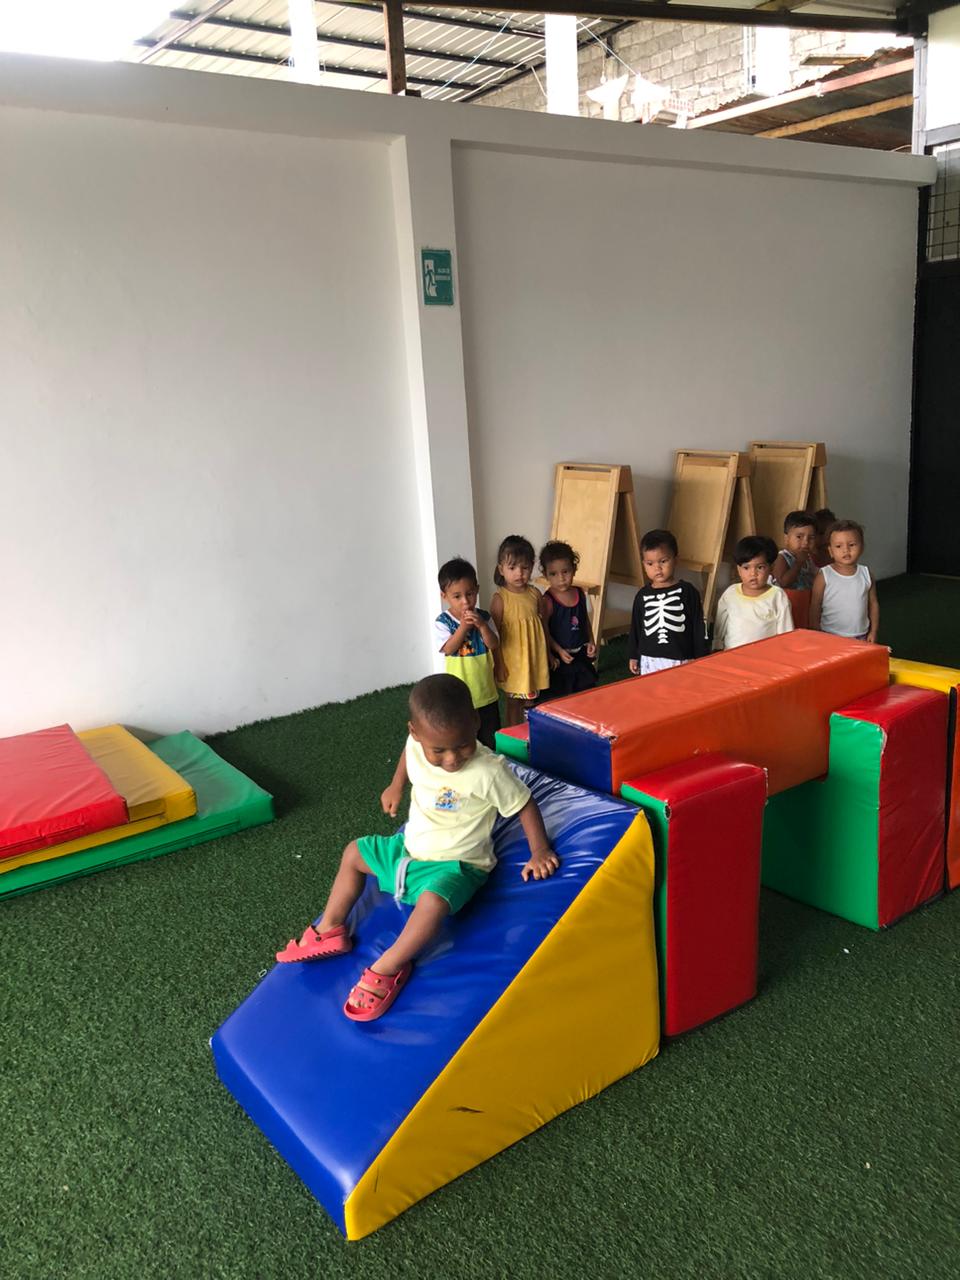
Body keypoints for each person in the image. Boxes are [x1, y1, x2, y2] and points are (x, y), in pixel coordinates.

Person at [276, 674, 559, 1021]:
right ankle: (330, 929)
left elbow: (523, 804)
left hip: (456, 866)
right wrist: (396, 785)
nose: (452, 759)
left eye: (462, 746)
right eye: (439, 751)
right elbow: (408, 755)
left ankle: (388, 965)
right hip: (408, 849)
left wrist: (539, 851)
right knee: (354, 853)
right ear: (416, 732)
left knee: (433, 903)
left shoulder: (488, 771)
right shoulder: (416, 746)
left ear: (475, 722)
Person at [435, 557, 501, 748]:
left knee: (490, 738)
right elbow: (448, 649)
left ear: (477, 590)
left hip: (486, 690)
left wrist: (482, 626)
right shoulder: (443, 621)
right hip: (459, 694)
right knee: (463, 738)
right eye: (457, 596)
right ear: (444, 596)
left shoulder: (484, 617)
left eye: (470, 594)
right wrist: (463, 627)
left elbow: (494, 644)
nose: (465, 602)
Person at [628, 529, 708, 675]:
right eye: (650, 563)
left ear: (676, 560)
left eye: (663, 561)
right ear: (643, 564)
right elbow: (636, 626)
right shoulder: (642, 595)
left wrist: (700, 656)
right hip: (649, 658)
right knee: (652, 689)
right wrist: (634, 655)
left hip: (682, 657)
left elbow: (698, 626)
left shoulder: (688, 591)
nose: (657, 568)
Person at [490, 534, 551, 726]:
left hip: (533, 660)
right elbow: (494, 636)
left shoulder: (535, 594)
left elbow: (543, 625)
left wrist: (549, 654)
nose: (519, 573)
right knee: (513, 702)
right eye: (512, 568)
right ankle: (512, 734)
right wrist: (499, 664)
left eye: (525, 568)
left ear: (532, 567)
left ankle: (529, 733)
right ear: (501, 569)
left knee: (531, 702)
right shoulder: (500, 599)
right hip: (513, 664)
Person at [713, 536, 794, 651]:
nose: (753, 574)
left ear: (771, 568)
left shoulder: (778, 596)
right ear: (739, 570)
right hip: (732, 657)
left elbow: (786, 634)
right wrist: (716, 647)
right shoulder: (730, 594)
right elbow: (720, 628)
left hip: (764, 658)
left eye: (760, 567)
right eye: (746, 568)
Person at [539, 539, 597, 699]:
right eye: (553, 574)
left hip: (580, 655)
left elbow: (585, 620)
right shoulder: (547, 600)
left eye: (565, 571)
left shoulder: (580, 593)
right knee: (562, 696)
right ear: (545, 575)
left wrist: (591, 641)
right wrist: (557, 651)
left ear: (574, 569)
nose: (561, 578)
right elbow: (544, 631)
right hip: (560, 658)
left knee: (586, 693)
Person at [809, 519, 878, 643]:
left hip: (861, 636)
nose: (846, 550)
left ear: (862, 547)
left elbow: (873, 604)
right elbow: (815, 605)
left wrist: (873, 631)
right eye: (838, 546)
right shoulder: (824, 575)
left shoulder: (866, 574)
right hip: (830, 636)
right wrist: (815, 632)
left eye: (851, 545)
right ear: (830, 551)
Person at [769, 511, 817, 591]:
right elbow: (783, 583)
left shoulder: (809, 560)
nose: (806, 542)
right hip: (786, 598)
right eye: (799, 537)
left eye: (811, 538)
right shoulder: (782, 557)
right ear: (786, 538)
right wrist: (798, 563)